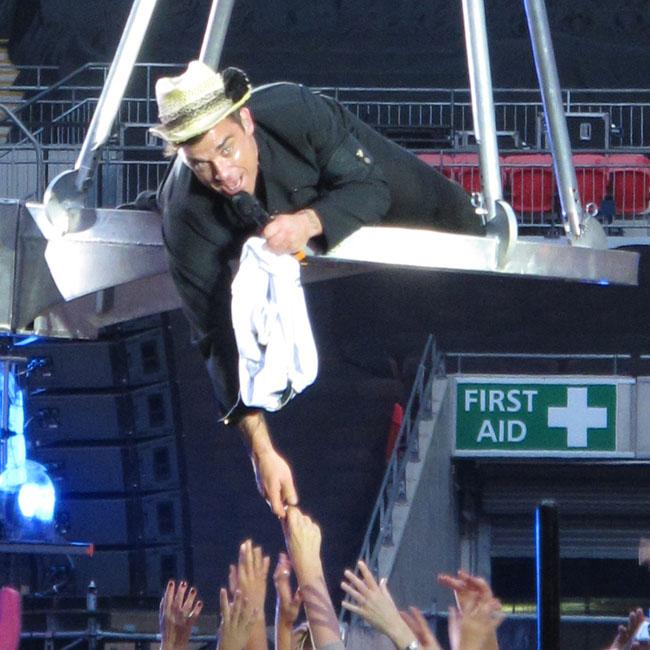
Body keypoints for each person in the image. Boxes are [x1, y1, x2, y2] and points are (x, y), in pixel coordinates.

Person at [152, 60, 485, 517]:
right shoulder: (184, 212)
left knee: (457, 217)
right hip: (246, 227)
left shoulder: (295, 111)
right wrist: (261, 452)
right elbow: (213, 337)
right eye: (202, 164)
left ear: (246, 121)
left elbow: (372, 188)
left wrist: (308, 222)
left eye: (227, 149)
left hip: (346, 181)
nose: (223, 173)